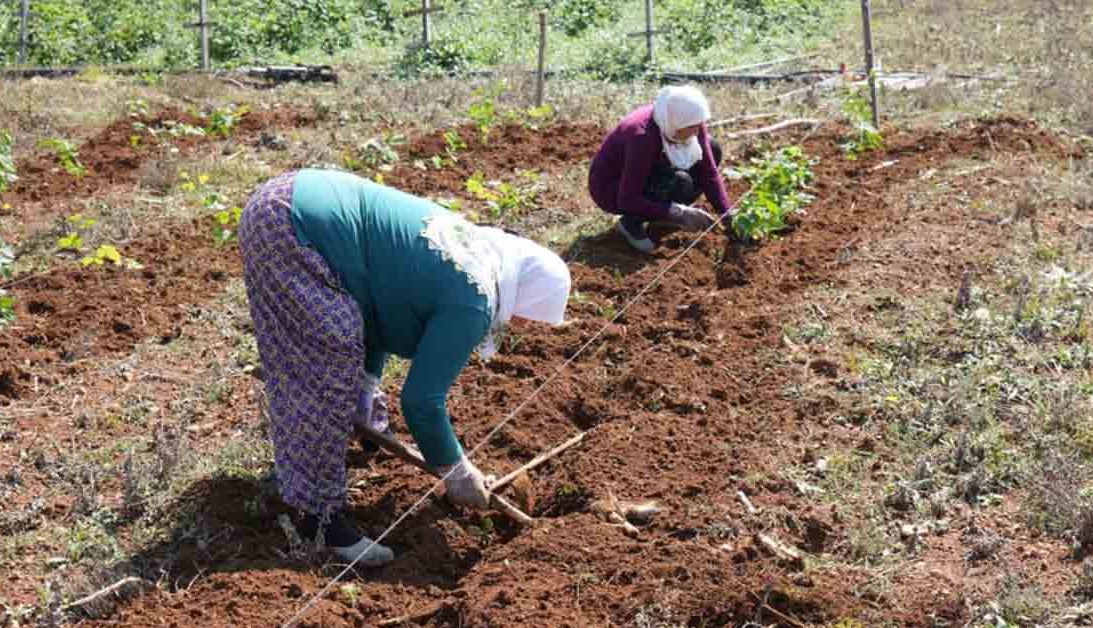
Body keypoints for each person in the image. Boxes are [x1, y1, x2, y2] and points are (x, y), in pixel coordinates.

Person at [238, 169, 572, 567]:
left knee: (339, 357)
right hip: (292, 225)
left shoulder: (478, 258)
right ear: (529, 298)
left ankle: (334, 443)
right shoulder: (474, 301)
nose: (521, 327)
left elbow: (376, 304)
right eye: (531, 318)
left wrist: (364, 387)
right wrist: (457, 471)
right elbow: (421, 402)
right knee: (324, 364)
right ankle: (321, 521)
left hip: (288, 203)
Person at [588, 85, 732, 253]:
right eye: (693, 127)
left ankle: (660, 214)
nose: (698, 130)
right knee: (680, 183)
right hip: (612, 189)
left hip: (646, 170)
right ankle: (631, 222)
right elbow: (627, 198)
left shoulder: (685, 119)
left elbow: (709, 172)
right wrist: (678, 211)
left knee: (712, 148)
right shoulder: (641, 136)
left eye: (700, 124)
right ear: (676, 125)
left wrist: (727, 213)